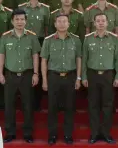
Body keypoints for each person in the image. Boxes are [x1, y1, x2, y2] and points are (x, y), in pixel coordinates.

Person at [0, 9, 41, 143]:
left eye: (22, 19)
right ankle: (10, 132)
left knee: (28, 105)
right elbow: (1, 55)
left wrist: (36, 73)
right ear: (12, 21)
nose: (19, 22)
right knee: (9, 105)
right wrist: (0, 73)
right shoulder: (5, 37)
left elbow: (35, 55)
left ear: (26, 21)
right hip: (10, 75)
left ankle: (28, 133)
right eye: (17, 19)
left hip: (27, 75)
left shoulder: (32, 36)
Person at [41, 12, 82, 145]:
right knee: (52, 107)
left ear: (69, 24)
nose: (62, 24)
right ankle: (52, 135)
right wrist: (44, 80)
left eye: (64, 21)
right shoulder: (48, 40)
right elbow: (44, 60)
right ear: (55, 24)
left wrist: (78, 78)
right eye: (59, 21)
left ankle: (68, 135)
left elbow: (78, 59)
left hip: (70, 76)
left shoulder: (75, 39)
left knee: (70, 107)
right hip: (54, 77)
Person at [82, 13, 118, 144]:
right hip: (92, 75)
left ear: (107, 23)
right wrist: (83, 76)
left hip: (108, 75)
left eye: (103, 21)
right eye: (98, 21)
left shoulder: (114, 38)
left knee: (108, 105)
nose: (100, 23)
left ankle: (106, 133)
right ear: (94, 23)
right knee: (93, 105)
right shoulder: (88, 38)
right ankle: (94, 133)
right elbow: (84, 59)